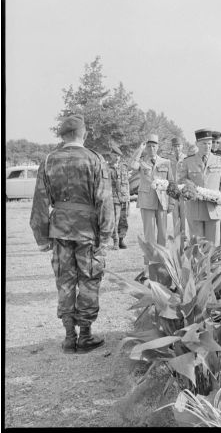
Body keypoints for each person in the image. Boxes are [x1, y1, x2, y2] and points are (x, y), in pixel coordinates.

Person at [29, 114, 114, 354]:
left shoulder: (48, 161)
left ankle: (69, 337)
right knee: (88, 280)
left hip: (60, 231)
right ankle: (85, 335)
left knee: (64, 281)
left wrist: (42, 237)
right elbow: (104, 201)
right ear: (83, 133)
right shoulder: (95, 160)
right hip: (88, 232)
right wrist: (107, 236)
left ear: (62, 135)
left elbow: (39, 202)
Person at [173, 128, 221, 246]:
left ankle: (212, 265)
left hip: (213, 209)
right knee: (197, 247)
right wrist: (189, 189)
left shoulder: (220, 160)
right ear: (197, 144)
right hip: (195, 209)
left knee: (213, 246)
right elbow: (181, 181)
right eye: (204, 143)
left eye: (209, 143)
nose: (207, 146)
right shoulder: (188, 162)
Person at [130, 134, 173, 252]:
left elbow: (172, 183)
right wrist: (139, 150)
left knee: (163, 233)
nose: (151, 149)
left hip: (162, 201)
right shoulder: (142, 161)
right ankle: (150, 260)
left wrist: (172, 203)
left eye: (154, 146)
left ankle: (162, 259)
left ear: (158, 147)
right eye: (148, 146)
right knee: (149, 233)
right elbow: (132, 165)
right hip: (147, 201)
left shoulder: (166, 162)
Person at [106, 142, 130, 249]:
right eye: (115, 155)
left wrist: (128, 198)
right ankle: (115, 241)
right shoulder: (106, 168)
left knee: (123, 220)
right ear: (111, 155)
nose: (117, 158)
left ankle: (121, 239)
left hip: (124, 198)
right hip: (113, 198)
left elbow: (127, 184)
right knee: (114, 221)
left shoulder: (124, 167)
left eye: (119, 156)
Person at [168, 137, 188, 248]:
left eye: (179, 146)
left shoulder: (186, 158)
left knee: (184, 215)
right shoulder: (169, 159)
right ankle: (177, 238)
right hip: (173, 191)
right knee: (175, 215)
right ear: (172, 147)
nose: (177, 148)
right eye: (175, 146)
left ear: (182, 146)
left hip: (183, 190)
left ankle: (184, 238)